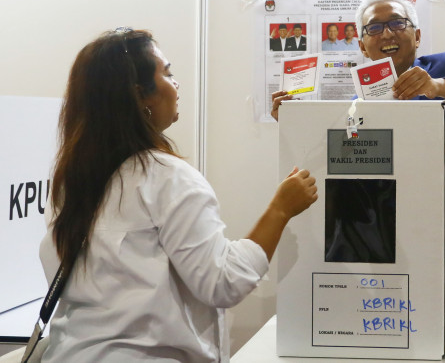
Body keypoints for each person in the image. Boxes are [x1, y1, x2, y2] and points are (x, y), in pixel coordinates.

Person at [39, 28, 317, 362]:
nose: (177, 84)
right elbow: (222, 282)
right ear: (141, 95)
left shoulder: (71, 181)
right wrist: (280, 210)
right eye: (168, 74)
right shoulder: (165, 176)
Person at [271, 0, 445, 119]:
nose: (386, 35)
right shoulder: (360, 103)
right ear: (362, 47)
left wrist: (438, 87)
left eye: (397, 23)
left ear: (417, 36)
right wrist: (293, 120)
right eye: (374, 28)